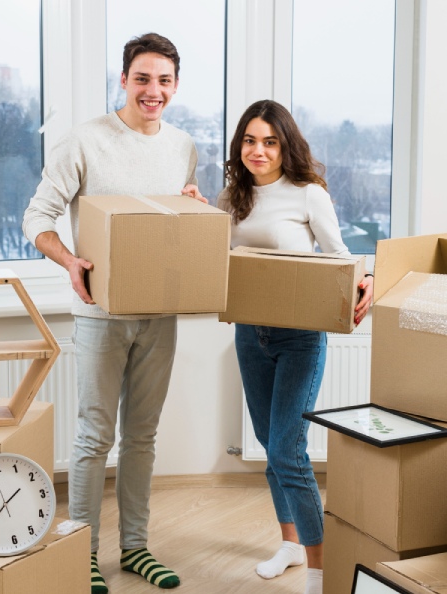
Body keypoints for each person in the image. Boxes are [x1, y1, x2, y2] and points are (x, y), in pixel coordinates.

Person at [23, 33, 201, 593]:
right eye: (143, 78)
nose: (154, 91)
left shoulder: (182, 147)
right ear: (122, 80)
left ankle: (136, 548)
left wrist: (192, 213)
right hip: (101, 312)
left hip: (160, 314)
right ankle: (83, 551)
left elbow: (170, 226)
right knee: (93, 435)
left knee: (142, 436)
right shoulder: (85, 142)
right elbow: (37, 217)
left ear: (175, 86)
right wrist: (71, 262)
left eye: (164, 81)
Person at [217, 100, 373, 594]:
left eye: (269, 141)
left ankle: (320, 570)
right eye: (249, 140)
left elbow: (340, 258)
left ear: (286, 146)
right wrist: (193, 211)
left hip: (300, 337)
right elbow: (217, 256)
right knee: (269, 443)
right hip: (249, 333)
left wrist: (364, 281)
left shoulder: (308, 194)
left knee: (289, 449)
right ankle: (288, 543)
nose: (257, 150)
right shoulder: (231, 197)